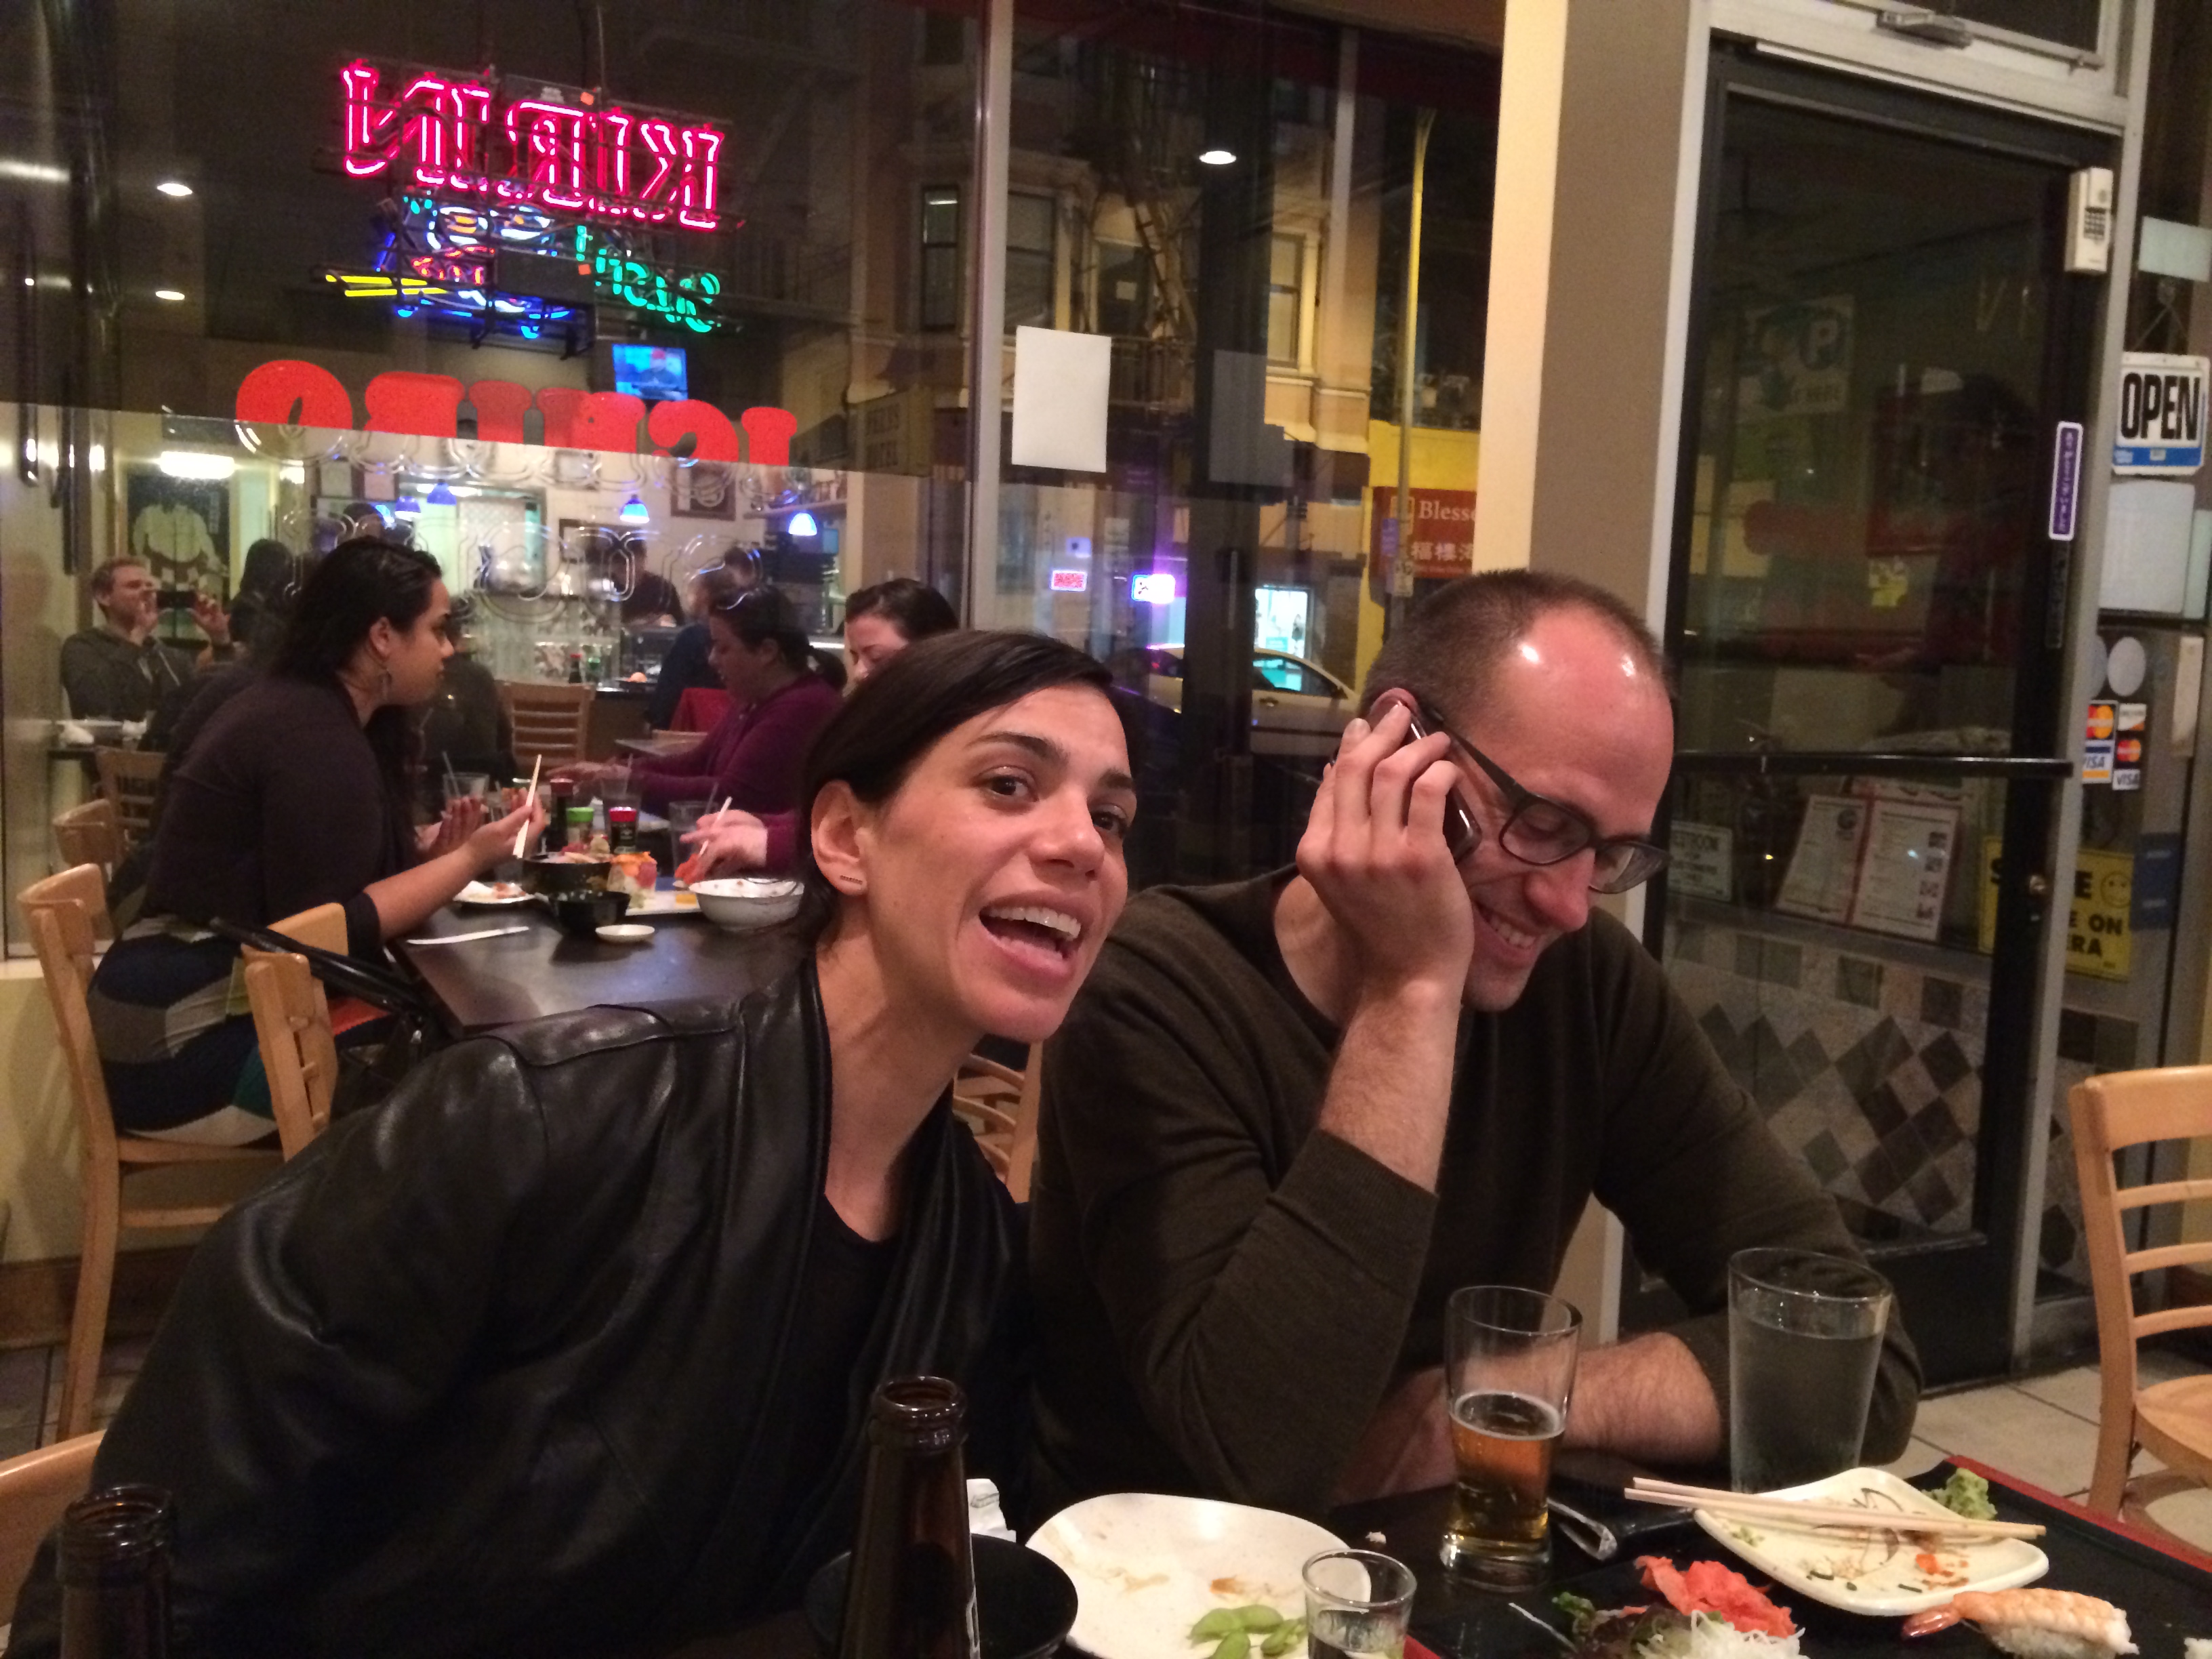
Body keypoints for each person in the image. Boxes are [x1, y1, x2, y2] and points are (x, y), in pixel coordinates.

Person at [12, 630, 1140, 1659]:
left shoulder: (969, 1248)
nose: (1082, 845)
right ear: (845, 837)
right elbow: (140, 1577)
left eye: (1112, 817)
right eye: (1009, 784)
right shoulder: (533, 1127)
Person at [1026, 570, 1922, 1519]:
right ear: (1393, 750)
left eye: (1608, 854)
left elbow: (1861, 1359)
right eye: (1544, 824)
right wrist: (1412, 987)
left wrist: (1506, 1397)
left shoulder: (1588, 985)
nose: (1569, 904)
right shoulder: (1156, 988)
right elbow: (1266, 1459)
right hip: (1160, 1582)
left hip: (1451, 1562)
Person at [83, 540, 536, 1147]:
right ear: (382, 636)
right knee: (471, 1066)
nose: (449, 649)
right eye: (437, 629)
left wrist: (430, 860)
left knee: (452, 1048)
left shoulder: (303, 709)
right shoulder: (313, 735)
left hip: (164, 1005)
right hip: (181, 1045)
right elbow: (326, 932)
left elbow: (323, 898)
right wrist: (470, 858)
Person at [678, 575, 959, 879]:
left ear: (935, 652)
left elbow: (894, 835)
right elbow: (848, 816)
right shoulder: (887, 724)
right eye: (855, 657)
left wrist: (768, 842)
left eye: (877, 658)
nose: (860, 673)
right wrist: (761, 824)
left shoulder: (953, 733)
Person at [555, 585, 841, 816]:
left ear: (767, 651)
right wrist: (621, 770)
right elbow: (698, 762)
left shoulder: (801, 707)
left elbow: (728, 798)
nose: (712, 659)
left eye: (723, 648)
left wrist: (628, 781)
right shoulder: (755, 699)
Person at [60, 556, 231, 721]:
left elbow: (216, 701)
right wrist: (137, 636)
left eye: (150, 586)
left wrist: (221, 640)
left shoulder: (169, 656)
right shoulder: (82, 647)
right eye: (134, 586)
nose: (147, 592)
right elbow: (95, 705)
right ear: (104, 596)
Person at [644, 553, 760, 729]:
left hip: (685, 736)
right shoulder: (745, 639)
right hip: (732, 732)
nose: (713, 659)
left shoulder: (691, 638)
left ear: (704, 594)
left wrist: (651, 725)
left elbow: (664, 704)